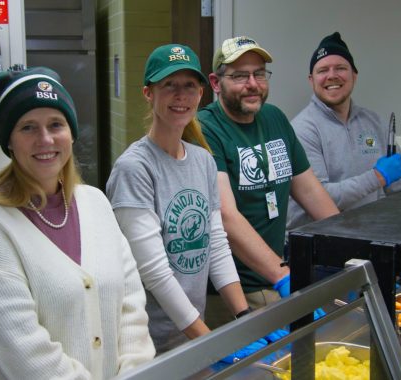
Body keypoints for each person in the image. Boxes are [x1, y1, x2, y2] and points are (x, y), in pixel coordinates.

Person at [0, 66, 155, 379]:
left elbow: (130, 305)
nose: (45, 139)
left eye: (55, 124)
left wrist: (136, 372)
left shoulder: (95, 204)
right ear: (9, 142)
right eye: (28, 127)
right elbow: (21, 351)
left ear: (71, 134)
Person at [106, 44, 283, 359]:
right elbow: (156, 273)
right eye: (169, 85)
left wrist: (244, 318)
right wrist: (209, 342)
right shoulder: (134, 169)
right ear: (148, 93)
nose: (181, 95)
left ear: (202, 93)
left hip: (189, 336)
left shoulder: (202, 161)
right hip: (147, 344)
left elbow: (216, 245)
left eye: (189, 85)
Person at [197, 36, 339, 326]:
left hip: (274, 279)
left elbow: (311, 190)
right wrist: (283, 276)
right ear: (215, 82)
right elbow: (226, 215)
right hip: (229, 291)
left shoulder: (274, 119)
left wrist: (356, 250)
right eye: (239, 76)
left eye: (259, 74)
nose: (253, 84)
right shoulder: (204, 128)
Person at [287, 32, 401, 231]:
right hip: (321, 243)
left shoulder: (374, 123)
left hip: (372, 236)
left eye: (341, 68)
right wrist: (378, 177)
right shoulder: (302, 129)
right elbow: (319, 197)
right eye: (323, 70)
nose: (332, 75)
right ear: (311, 80)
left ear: (354, 76)